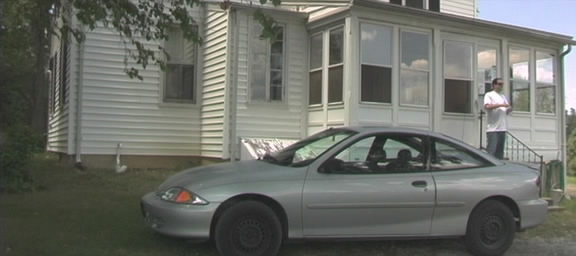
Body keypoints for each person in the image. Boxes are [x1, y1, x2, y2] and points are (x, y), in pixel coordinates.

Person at [484, 78, 512, 159]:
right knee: (491, 152)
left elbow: (506, 110)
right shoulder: (489, 95)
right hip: (493, 129)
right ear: (494, 85)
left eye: (502, 84)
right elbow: (487, 106)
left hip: (502, 128)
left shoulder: (503, 97)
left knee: (500, 153)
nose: (501, 86)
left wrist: (509, 109)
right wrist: (501, 105)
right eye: (499, 84)